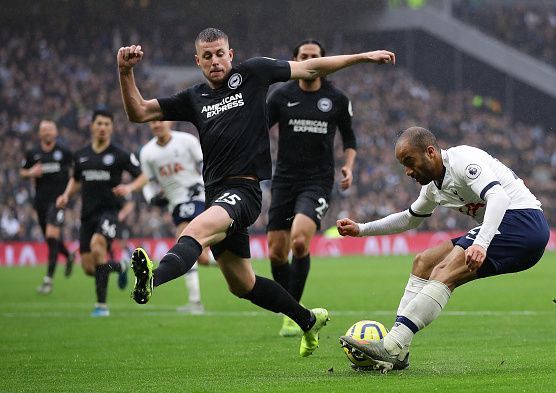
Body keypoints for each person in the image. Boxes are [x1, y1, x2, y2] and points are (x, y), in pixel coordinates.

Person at [117, 27, 395, 356]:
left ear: (230, 54)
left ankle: (153, 277)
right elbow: (139, 112)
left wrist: (363, 57)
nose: (215, 61)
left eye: (220, 53)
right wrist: (125, 72)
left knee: (195, 230)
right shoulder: (193, 99)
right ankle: (307, 319)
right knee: (242, 285)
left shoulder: (253, 73)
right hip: (217, 194)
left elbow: (311, 68)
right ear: (198, 61)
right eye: (207, 56)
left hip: (245, 191)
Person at [338, 127, 549, 372]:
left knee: (444, 270)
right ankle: (400, 350)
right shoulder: (432, 187)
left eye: (409, 162)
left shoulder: (463, 161)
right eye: (403, 165)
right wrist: (361, 229)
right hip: (506, 226)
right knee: (424, 262)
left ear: (430, 152)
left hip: (523, 223)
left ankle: (392, 345)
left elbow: (499, 197)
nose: (407, 171)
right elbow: (410, 219)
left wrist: (480, 243)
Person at [266, 39, 357, 337]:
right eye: (303, 56)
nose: (309, 61)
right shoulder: (280, 96)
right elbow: (258, 132)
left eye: (314, 57)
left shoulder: (338, 99)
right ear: (295, 61)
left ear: (323, 61)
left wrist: (348, 166)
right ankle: (289, 310)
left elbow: (350, 139)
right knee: (276, 252)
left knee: (300, 243)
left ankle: (294, 314)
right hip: (284, 180)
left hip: (317, 180)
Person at [116, 119, 216, 315]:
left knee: (184, 240)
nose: (156, 125)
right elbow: (147, 180)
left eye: (160, 120)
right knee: (202, 257)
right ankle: (234, 263)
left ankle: (195, 301)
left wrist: (205, 182)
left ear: (169, 122)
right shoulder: (148, 153)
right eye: (152, 122)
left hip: (196, 196)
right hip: (175, 203)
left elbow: (206, 163)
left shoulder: (186, 141)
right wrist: (152, 198)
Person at [56, 110, 145, 317]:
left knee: (98, 247)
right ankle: (123, 266)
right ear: (92, 126)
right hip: (87, 215)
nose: (103, 127)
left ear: (111, 128)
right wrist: (66, 195)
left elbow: (142, 177)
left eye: (107, 124)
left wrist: (129, 188)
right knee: (89, 268)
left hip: (109, 213)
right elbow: (76, 179)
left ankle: (101, 306)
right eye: (99, 123)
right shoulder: (81, 155)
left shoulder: (120, 154)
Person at [20, 119, 75, 294]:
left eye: (50, 129)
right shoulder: (33, 153)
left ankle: (48, 280)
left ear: (56, 132)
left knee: (52, 236)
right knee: (51, 239)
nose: (47, 132)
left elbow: (77, 171)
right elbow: (22, 172)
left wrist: (68, 194)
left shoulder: (64, 152)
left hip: (58, 202)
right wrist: (30, 172)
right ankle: (68, 256)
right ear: (39, 134)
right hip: (41, 203)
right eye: (44, 129)